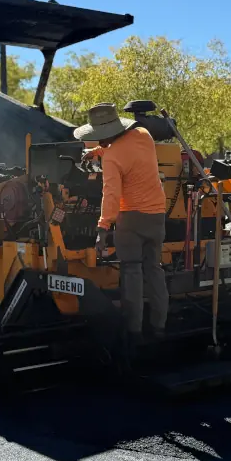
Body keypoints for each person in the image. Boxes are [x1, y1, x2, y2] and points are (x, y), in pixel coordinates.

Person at [75, 102, 169, 341]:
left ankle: (134, 330)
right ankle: (159, 326)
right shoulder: (143, 135)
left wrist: (102, 228)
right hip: (157, 215)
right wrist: (99, 151)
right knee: (154, 269)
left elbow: (111, 195)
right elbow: (126, 151)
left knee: (132, 272)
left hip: (132, 219)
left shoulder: (112, 160)